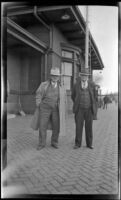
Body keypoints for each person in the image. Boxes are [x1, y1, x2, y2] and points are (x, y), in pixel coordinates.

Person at [31, 68, 66, 150]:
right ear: (51, 76)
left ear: (59, 77)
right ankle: (41, 143)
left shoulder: (61, 86)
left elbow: (64, 99)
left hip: (56, 109)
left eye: (57, 76)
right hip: (44, 108)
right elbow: (38, 94)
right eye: (53, 76)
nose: (55, 77)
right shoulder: (44, 84)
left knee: (56, 126)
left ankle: (54, 142)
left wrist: (62, 107)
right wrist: (39, 104)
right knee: (42, 125)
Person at [71, 68, 97, 150]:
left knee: (89, 127)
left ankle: (89, 144)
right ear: (80, 76)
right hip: (79, 110)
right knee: (78, 127)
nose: (84, 77)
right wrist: (77, 103)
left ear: (88, 77)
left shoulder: (92, 84)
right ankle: (77, 144)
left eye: (85, 75)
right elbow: (73, 96)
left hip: (89, 109)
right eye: (82, 75)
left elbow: (95, 97)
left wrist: (93, 107)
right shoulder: (76, 84)